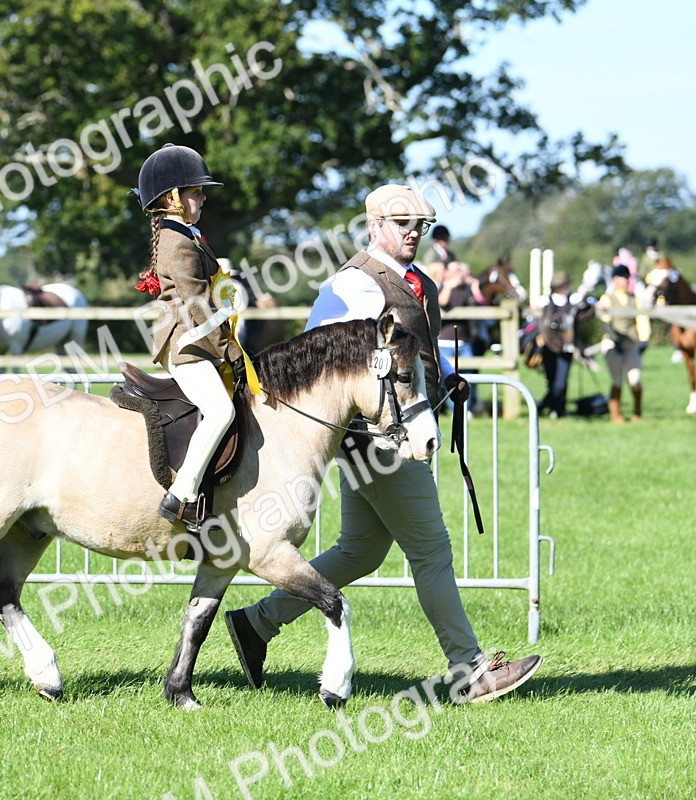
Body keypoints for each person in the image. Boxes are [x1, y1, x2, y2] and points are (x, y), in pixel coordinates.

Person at [223, 184, 542, 704]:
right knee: (432, 550)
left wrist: (444, 381)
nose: (413, 232)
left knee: (361, 550)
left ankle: (256, 623)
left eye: (420, 224)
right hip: (379, 441)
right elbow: (319, 364)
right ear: (373, 226)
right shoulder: (352, 287)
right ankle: (468, 670)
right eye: (402, 223)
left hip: (395, 431)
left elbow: (408, 362)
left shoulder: (413, 282)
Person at [136, 143, 242, 533]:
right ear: (171, 199)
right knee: (221, 412)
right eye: (195, 192)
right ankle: (180, 496)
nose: (202, 198)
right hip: (185, 342)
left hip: (196, 338)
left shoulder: (186, 233)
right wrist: (230, 350)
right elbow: (198, 303)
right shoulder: (177, 241)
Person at [534, 271, 595, 419]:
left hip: (567, 346)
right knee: (552, 382)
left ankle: (544, 408)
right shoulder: (545, 302)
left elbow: (587, 309)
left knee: (561, 383)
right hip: (548, 346)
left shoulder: (573, 300)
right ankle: (555, 409)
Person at [597, 265, 649, 422]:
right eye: (623, 278)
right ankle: (616, 414)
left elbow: (642, 320)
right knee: (617, 380)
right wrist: (601, 310)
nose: (626, 281)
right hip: (613, 343)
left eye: (627, 278)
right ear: (615, 280)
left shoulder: (635, 299)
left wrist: (643, 339)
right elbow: (604, 319)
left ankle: (637, 410)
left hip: (631, 342)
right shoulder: (607, 298)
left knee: (635, 379)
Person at [437, 261, 487, 413]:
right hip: (445, 342)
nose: (459, 273)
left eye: (460, 270)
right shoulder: (441, 288)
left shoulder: (466, 289)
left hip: (464, 341)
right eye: (455, 270)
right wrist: (448, 286)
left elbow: (480, 306)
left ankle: (466, 409)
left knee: (468, 376)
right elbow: (442, 303)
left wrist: (475, 288)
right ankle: (453, 409)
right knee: (449, 376)